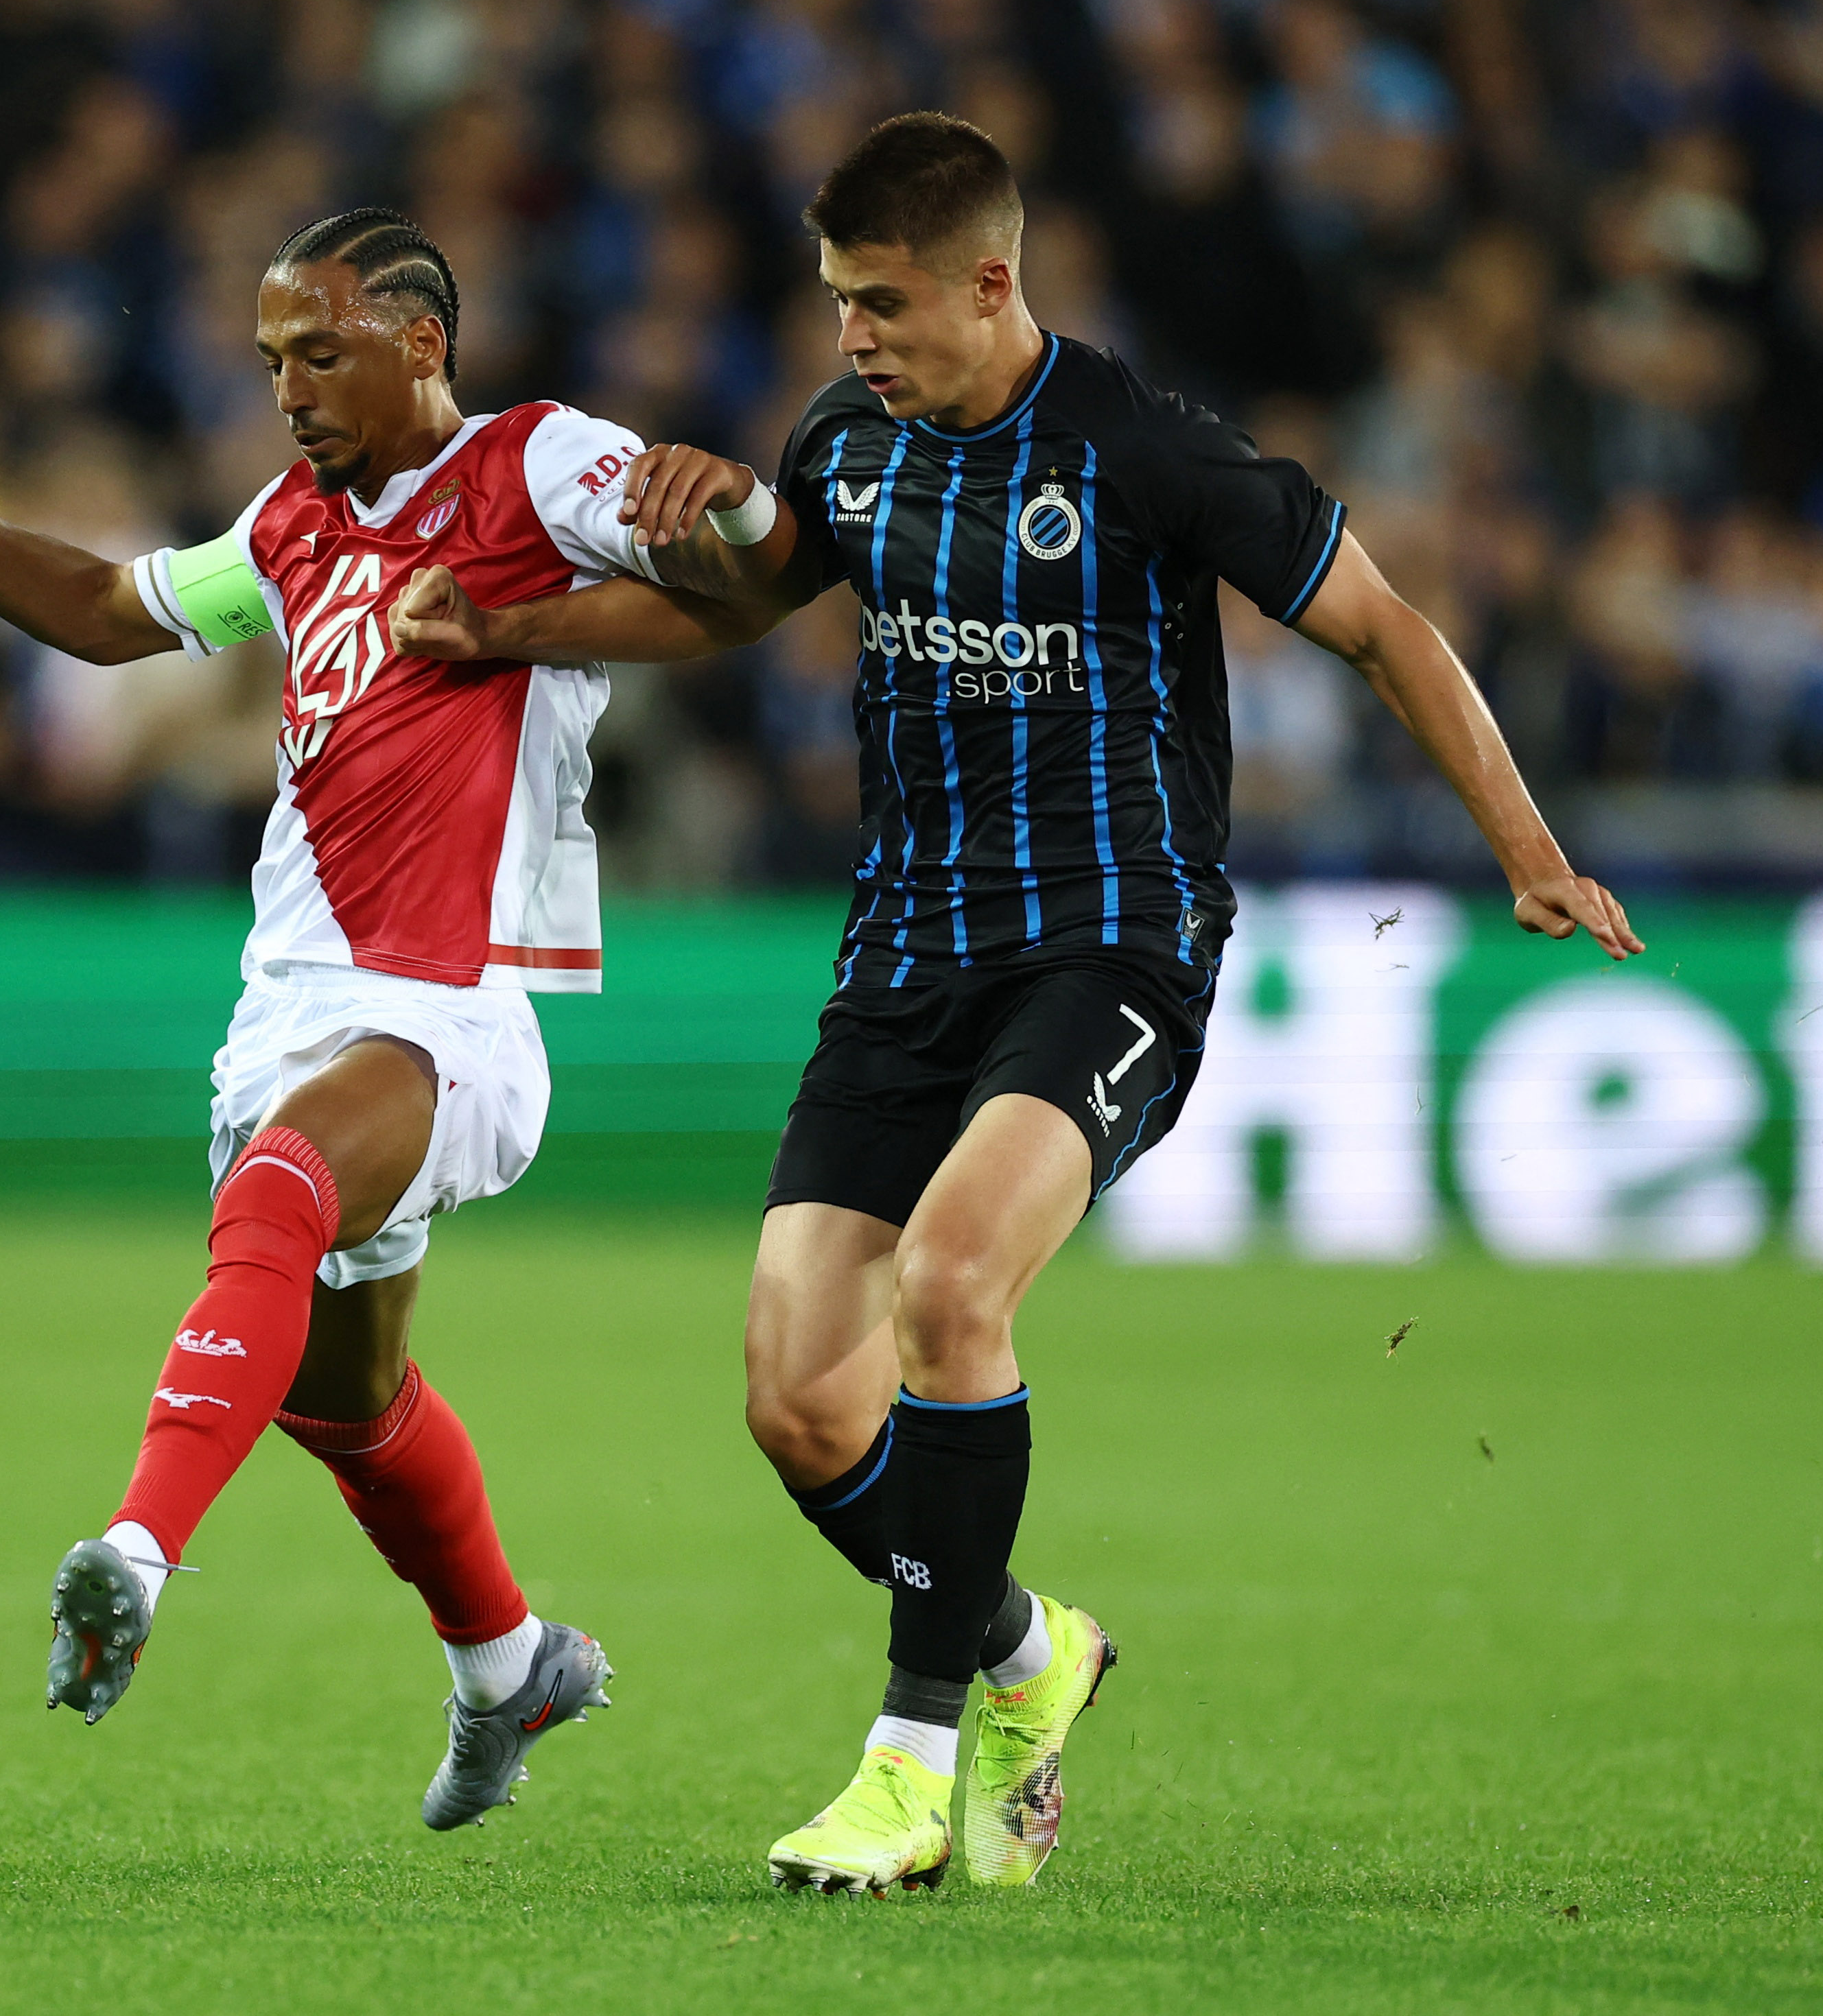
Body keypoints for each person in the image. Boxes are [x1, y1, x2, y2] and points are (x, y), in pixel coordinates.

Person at [389, 115, 1643, 1893]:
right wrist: (558, 608)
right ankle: (1022, 1654)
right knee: (794, 1401)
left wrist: (1522, 847)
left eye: (882, 304)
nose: (851, 340)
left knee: (954, 1283)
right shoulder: (849, 445)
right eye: (833, 305)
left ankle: (907, 1767)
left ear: (992, 281)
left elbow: (1381, 626)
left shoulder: (1137, 451)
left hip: (1108, 952)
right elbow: (744, 603)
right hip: (902, 959)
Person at [0, 207, 666, 1830]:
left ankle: (133, 1550)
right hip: (287, 999)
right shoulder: (291, 524)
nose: (289, 387)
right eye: (267, 360)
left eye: (319, 352)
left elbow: (736, 573)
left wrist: (725, 507)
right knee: (344, 1399)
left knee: (280, 1194)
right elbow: (115, 611)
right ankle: (507, 1663)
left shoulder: (538, 468)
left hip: (455, 1003)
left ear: (419, 342)